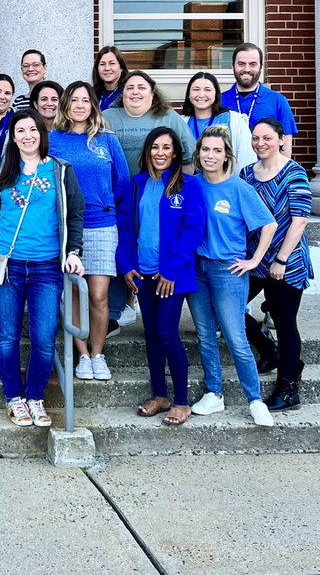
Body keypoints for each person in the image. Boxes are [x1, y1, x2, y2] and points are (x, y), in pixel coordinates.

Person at [0, 110, 85, 428]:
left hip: (46, 268)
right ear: (13, 137)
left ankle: (35, 398)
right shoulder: (3, 170)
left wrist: (73, 252)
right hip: (8, 266)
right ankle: (14, 398)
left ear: (42, 133)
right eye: (20, 130)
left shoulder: (60, 171)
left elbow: (75, 214)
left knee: (43, 337)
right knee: (8, 336)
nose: (27, 135)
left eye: (32, 129)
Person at [189, 125, 278, 427]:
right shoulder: (192, 185)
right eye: (205, 149)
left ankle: (255, 400)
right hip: (197, 269)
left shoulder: (239, 188)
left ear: (227, 155)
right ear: (198, 153)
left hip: (228, 270)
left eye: (216, 150)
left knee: (236, 337)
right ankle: (214, 393)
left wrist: (254, 260)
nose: (210, 155)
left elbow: (269, 225)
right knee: (204, 335)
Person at [94, 70, 193, 334]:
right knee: (120, 246)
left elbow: (188, 158)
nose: (135, 92)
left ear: (152, 92)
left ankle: (157, 303)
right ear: (121, 93)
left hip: (156, 196)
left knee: (153, 245)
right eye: (129, 88)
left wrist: (181, 192)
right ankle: (115, 312)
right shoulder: (107, 118)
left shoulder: (168, 117)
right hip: (117, 196)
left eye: (141, 87)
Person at [119, 127, 205, 427]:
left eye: (167, 148)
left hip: (172, 276)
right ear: (147, 151)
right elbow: (127, 228)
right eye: (155, 147)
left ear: (175, 153)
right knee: (153, 336)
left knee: (167, 333)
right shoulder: (137, 184)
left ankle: (181, 402)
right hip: (142, 274)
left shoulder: (188, 186)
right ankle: (160, 396)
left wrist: (170, 269)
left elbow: (192, 231)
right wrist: (126, 265)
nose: (160, 153)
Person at [48, 82, 132, 382]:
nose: (80, 105)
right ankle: (82, 356)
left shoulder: (107, 140)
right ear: (66, 105)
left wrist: (107, 205)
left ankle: (98, 354)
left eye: (86, 100)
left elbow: (122, 183)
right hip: (67, 228)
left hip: (102, 225)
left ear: (93, 106)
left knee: (98, 296)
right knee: (72, 293)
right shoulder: (53, 140)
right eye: (75, 100)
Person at [241, 118, 313, 411]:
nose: (261, 143)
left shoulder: (293, 173)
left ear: (281, 139)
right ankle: (267, 348)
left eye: (267, 138)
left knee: (285, 323)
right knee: (227, 309)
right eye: (256, 138)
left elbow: (300, 220)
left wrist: (281, 259)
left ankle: (288, 388)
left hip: (287, 260)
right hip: (254, 258)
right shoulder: (247, 173)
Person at [221, 43, 299, 158]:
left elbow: (285, 149)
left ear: (261, 67)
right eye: (241, 64)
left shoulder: (278, 101)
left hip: (265, 174)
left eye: (253, 64)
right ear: (233, 67)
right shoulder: (219, 101)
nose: (247, 69)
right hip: (227, 173)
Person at [182, 71, 254, 173]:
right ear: (189, 94)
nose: (201, 94)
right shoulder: (182, 123)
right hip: (192, 186)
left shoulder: (235, 121)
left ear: (216, 94)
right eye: (196, 89)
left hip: (226, 186)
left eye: (207, 90)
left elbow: (247, 160)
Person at [92, 45, 129, 112]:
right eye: (102, 64)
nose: (107, 68)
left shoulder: (128, 93)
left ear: (121, 68)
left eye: (112, 63)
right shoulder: (92, 94)